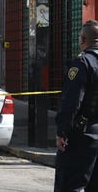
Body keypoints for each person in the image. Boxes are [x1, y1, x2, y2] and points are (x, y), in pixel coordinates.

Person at [54, 19, 98, 192]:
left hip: (82, 137)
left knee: (71, 185)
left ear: (82, 39)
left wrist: (62, 131)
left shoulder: (83, 63)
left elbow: (71, 101)